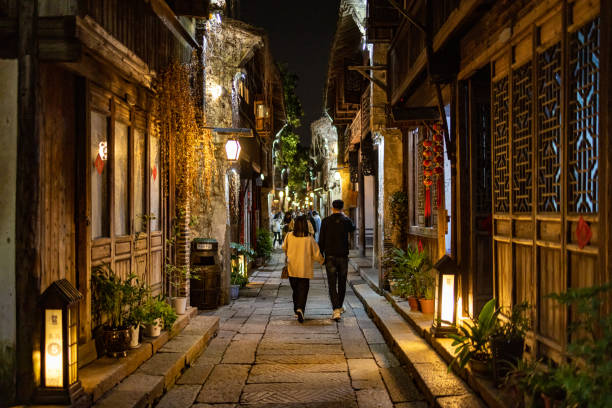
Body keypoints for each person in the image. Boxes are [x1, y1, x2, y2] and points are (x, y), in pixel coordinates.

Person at [318, 199, 356, 320]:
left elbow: (321, 240)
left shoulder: (325, 221)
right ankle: (339, 306)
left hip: (330, 256)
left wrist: (321, 255)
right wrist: (344, 216)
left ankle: (336, 309)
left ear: (332, 207)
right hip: (343, 256)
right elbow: (353, 227)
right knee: (342, 282)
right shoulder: (346, 220)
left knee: (332, 283)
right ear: (342, 208)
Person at [282, 215, 325, 323]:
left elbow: (284, 248)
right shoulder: (309, 239)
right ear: (306, 226)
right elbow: (316, 254)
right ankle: (300, 308)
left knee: (295, 290)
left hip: (292, 267)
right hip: (304, 269)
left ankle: (297, 309)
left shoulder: (289, 235)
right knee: (303, 290)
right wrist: (322, 261)